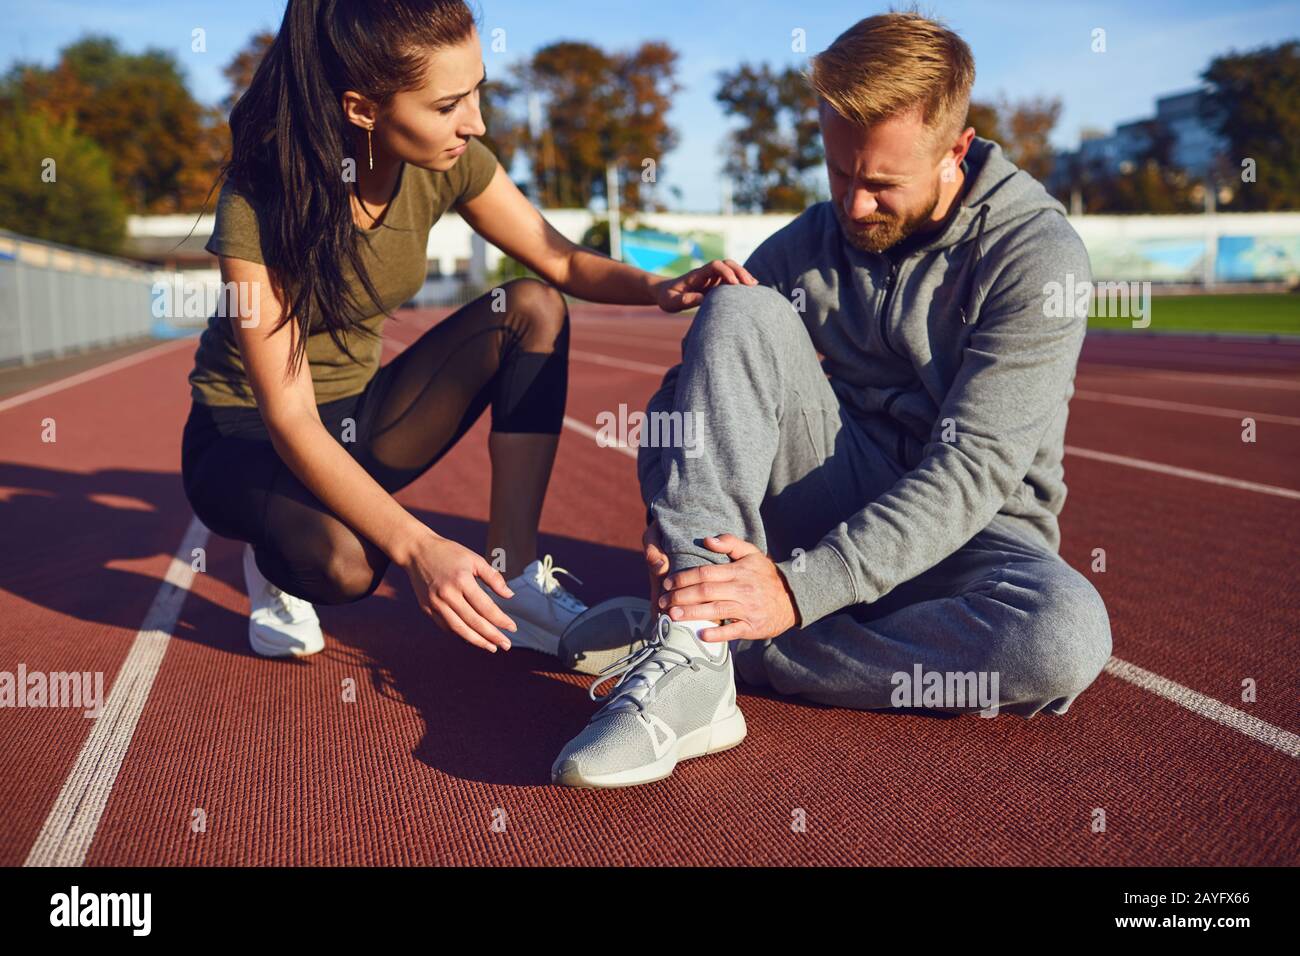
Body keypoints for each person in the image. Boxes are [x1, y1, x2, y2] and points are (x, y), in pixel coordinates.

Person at [552, 11, 1113, 789]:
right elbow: (686, 397)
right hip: (833, 487)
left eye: (882, 184)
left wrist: (795, 591)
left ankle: (736, 650)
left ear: (956, 149)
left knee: (1061, 639)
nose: (853, 206)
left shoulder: (1033, 255)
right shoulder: (809, 243)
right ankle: (694, 642)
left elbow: (975, 468)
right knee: (739, 306)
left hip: (975, 535)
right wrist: (667, 522)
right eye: (840, 174)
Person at [180, 0, 756, 660]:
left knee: (532, 308)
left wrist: (658, 288)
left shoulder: (450, 161)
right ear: (362, 108)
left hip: (358, 418)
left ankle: (514, 571)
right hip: (249, 438)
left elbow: (560, 258)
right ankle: (273, 554)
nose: (474, 122)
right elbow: (290, 419)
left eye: (477, 90)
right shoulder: (262, 196)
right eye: (448, 104)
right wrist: (417, 546)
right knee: (345, 565)